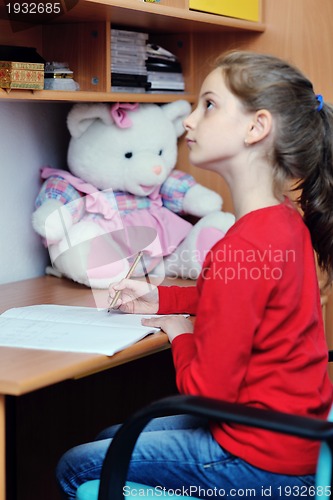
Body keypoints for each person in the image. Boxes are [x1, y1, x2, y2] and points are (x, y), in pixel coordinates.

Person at [56, 50, 333, 499]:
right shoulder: (284, 222)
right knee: (111, 433)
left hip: (259, 461)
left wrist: (180, 332)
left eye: (209, 105)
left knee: (77, 465)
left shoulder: (240, 247)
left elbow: (206, 391)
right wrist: (162, 301)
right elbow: (240, 301)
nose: (188, 121)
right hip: (297, 441)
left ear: (256, 127)